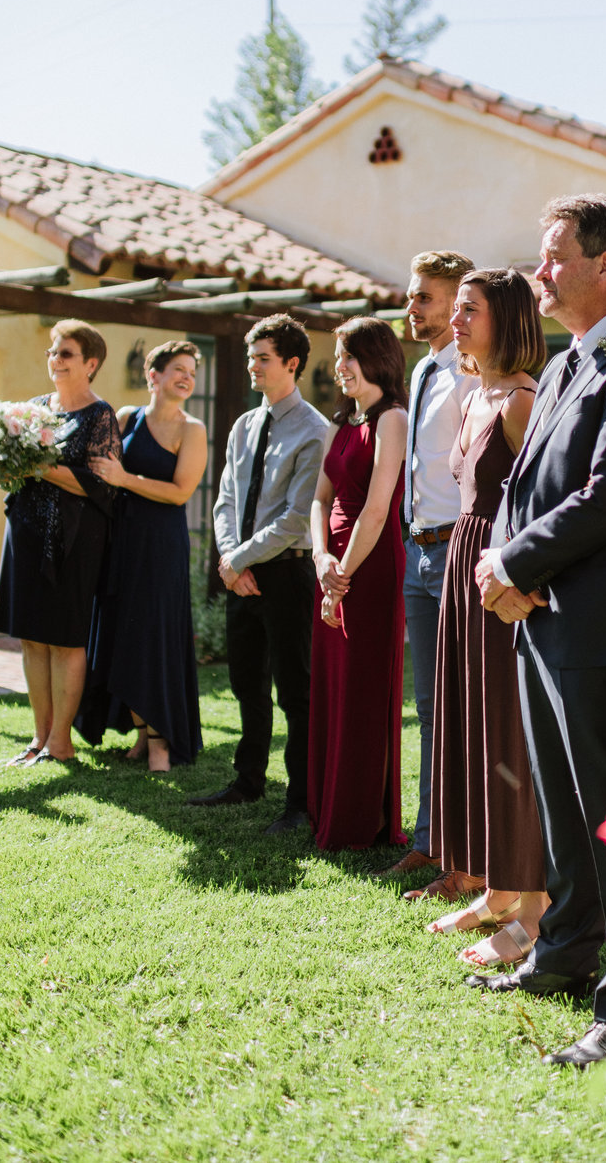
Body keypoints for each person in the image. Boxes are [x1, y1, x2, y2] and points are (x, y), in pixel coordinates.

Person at [472, 196, 606, 1063]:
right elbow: (526, 485)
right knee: (561, 809)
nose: (539, 272)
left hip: (597, 622)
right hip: (541, 614)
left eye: (554, 256)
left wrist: (514, 568)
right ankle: (562, 955)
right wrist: (501, 563)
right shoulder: (564, 362)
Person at [428, 268, 549, 969]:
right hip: (460, 562)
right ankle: (498, 886)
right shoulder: (477, 395)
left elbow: (537, 502)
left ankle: (535, 910)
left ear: (506, 319)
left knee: (508, 730)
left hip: (498, 568)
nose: (456, 320)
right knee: (473, 727)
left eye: (469, 310)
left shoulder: (524, 400)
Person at [189, 315, 328, 833]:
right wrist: (232, 560)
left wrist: (238, 560)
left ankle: (299, 801)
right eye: (251, 357)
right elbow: (224, 498)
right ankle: (247, 782)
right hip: (241, 575)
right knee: (246, 682)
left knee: (295, 691)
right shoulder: (244, 425)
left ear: (291, 363)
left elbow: (296, 517)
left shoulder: (315, 430)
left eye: (262, 358)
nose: (252, 366)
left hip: (287, 577)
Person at [375, 249, 481, 899]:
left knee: (463, 709)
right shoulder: (421, 372)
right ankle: (427, 840)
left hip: (457, 552)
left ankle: (468, 857)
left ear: (456, 302)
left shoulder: (473, 374)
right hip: (416, 551)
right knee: (427, 707)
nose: (411, 309)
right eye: (412, 296)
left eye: (423, 299)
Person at [0, 319, 121, 766]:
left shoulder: (100, 415)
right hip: (26, 533)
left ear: (91, 363)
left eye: (65, 353)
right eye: (52, 351)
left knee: (65, 639)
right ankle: (39, 737)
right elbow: (15, 471)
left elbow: (103, 486)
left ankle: (61, 743)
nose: (55, 360)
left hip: (74, 540)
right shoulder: (33, 408)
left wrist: (40, 465)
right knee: (32, 638)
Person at [78, 340, 207, 771]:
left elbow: (180, 493)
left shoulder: (193, 430)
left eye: (191, 370)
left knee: (154, 637)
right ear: (153, 376)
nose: (186, 377)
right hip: (121, 542)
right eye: (178, 369)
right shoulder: (125, 417)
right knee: (123, 634)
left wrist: (124, 477)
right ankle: (138, 733)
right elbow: (100, 473)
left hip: (161, 546)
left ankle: (161, 745)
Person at [308, 317, 408, 851]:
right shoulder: (341, 421)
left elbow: (376, 507)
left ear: (376, 358)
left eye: (348, 355)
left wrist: (341, 574)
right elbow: (319, 500)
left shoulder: (393, 418)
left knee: (364, 689)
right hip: (332, 567)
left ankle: (358, 820)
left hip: (368, 567)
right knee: (332, 686)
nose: (339, 367)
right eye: (337, 357)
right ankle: (325, 807)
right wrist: (321, 559)